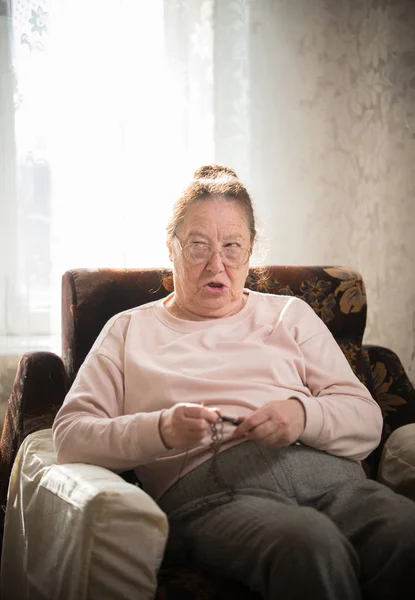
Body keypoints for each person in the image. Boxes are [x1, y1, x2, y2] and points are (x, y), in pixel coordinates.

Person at [52, 165, 415, 600]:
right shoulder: (128, 330)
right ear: (172, 249)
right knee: (309, 547)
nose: (216, 263)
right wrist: (162, 430)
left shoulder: (289, 313)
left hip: (335, 479)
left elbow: (365, 420)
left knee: (405, 532)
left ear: (250, 252)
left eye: (232, 246)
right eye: (198, 246)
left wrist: (303, 416)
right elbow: (70, 436)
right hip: (215, 492)